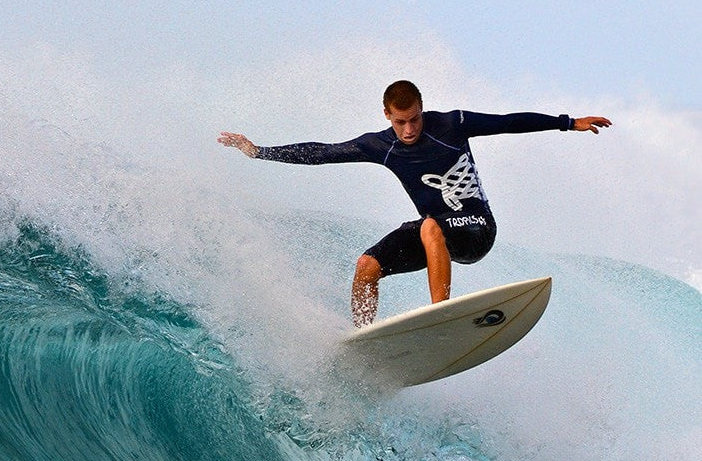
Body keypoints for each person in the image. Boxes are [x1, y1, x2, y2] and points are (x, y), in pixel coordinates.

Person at [218, 80, 611, 327]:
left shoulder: (452, 124)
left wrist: (567, 121)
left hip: (476, 228)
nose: (409, 129)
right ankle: (363, 338)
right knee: (367, 266)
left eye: (415, 119)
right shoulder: (380, 145)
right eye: (400, 121)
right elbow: (323, 152)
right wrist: (259, 152)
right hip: (435, 235)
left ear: (422, 110)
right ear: (387, 115)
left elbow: (508, 121)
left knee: (430, 225)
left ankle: (442, 315)